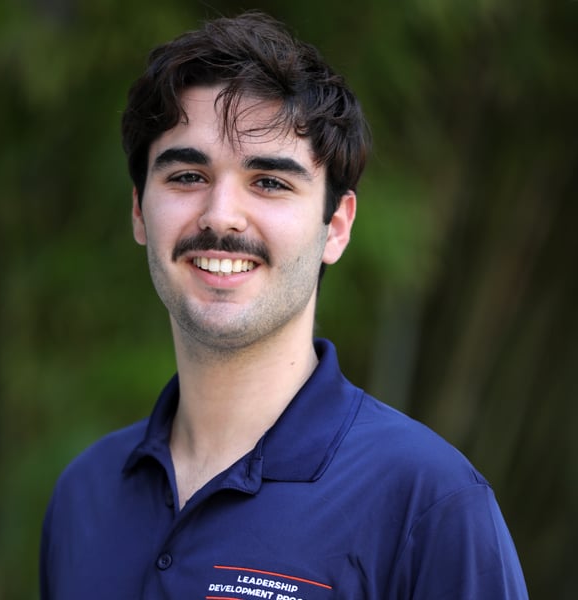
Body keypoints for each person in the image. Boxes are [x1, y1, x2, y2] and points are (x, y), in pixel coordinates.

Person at [40, 11, 528, 599]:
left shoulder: (428, 505)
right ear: (140, 211)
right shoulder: (83, 495)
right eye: (188, 175)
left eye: (269, 182)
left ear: (337, 226)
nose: (220, 214)